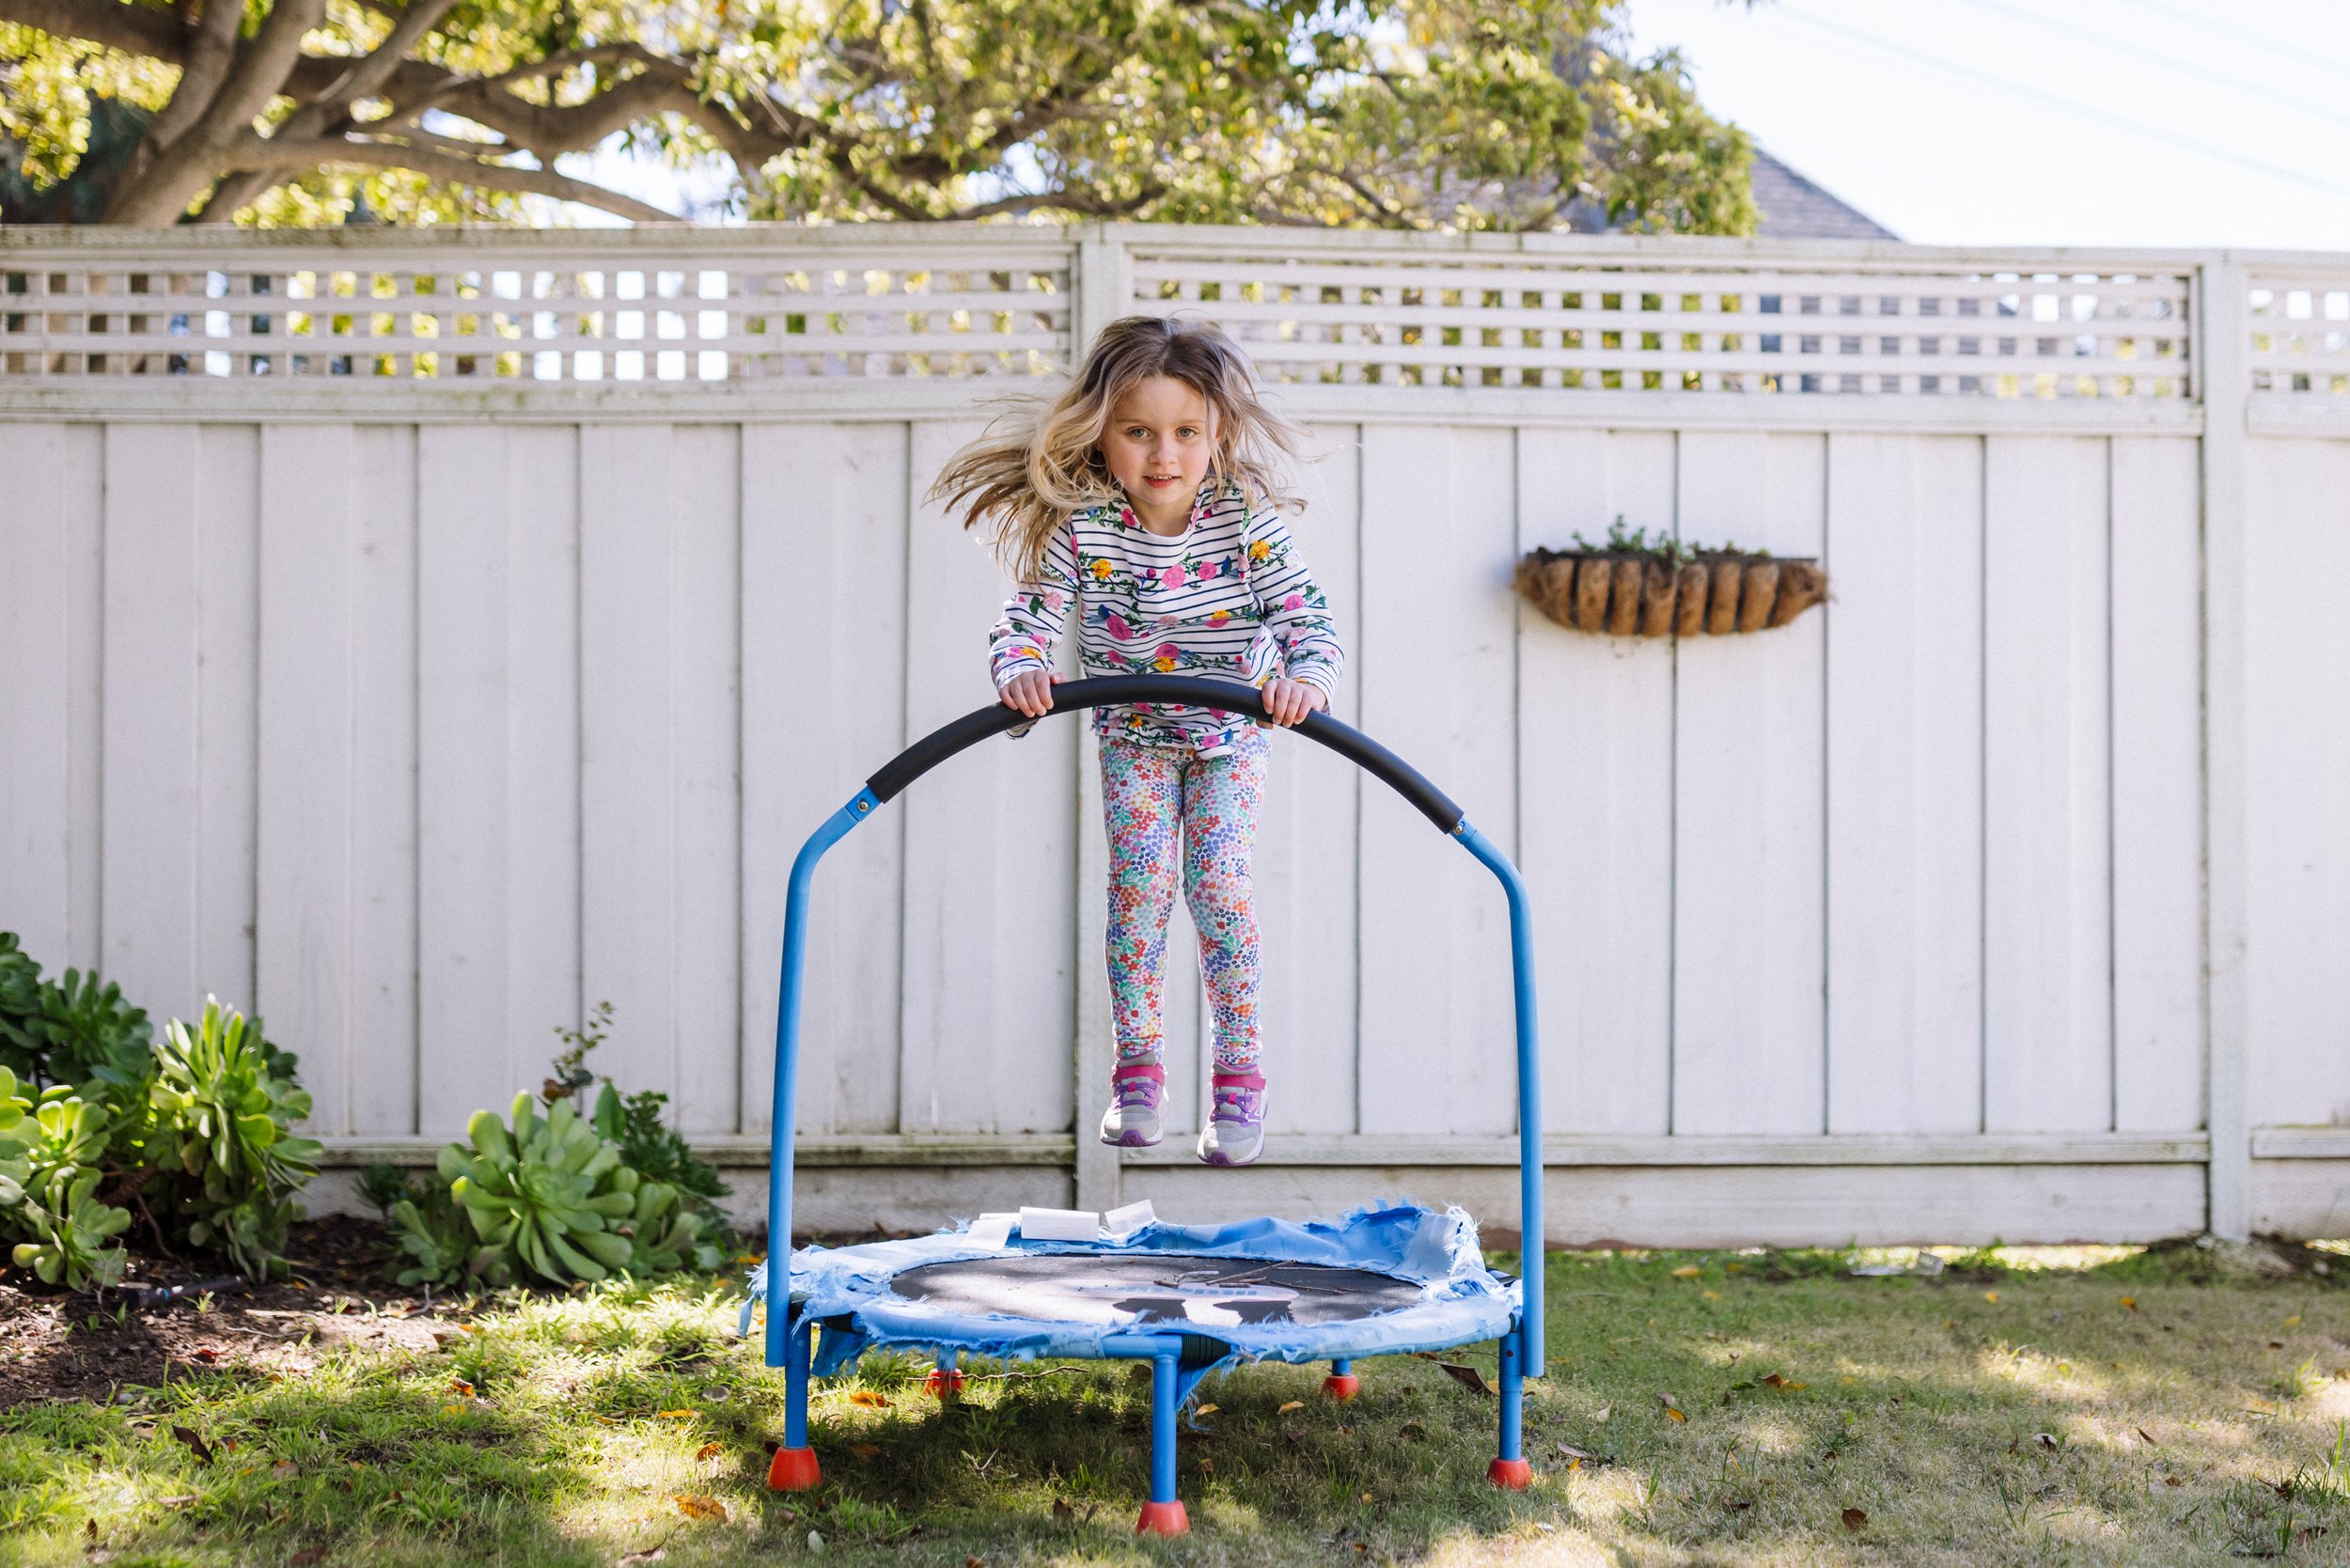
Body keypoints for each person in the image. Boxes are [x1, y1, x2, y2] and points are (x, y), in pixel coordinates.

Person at [929, 316, 1345, 1168]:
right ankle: (1140, 1072)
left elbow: (1313, 626)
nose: (1164, 454)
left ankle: (1238, 1078)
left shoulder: (1246, 527)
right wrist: (1022, 668)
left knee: (1220, 888)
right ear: (1104, 438)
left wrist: (1307, 681)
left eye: (1185, 432)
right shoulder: (1084, 529)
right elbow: (1028, 618)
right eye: (1139, 432)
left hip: (1231, 737)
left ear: (1216, 435)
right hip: (1136, 738)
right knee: (1139, 892)